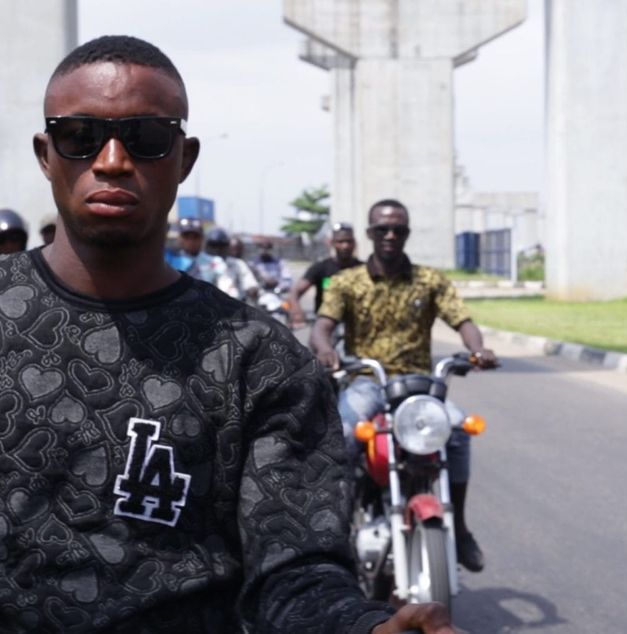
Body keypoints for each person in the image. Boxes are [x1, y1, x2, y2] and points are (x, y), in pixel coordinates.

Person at [24, 34, 454, 633]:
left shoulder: (260, 361)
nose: (113, 160)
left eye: (147, 139)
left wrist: (364, 627)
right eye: (80, 137)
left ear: (184, 157)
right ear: (47, 154)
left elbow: (294, 569)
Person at [311, 198, 499, 573]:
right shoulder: (348, 282)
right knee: (345, 433)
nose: (391, 235)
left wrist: (478, 350)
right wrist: (325, 350)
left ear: (407, 234)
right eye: (382, 229)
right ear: (370, 234)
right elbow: (323, 326)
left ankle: (459, 528)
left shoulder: (429, 280)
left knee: (459, 430)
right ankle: (335, 537)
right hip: (367, 381)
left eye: (398, 229)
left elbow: (462, 321)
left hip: (418, 387)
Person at [288, 222, 362, 328]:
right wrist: (296, 310)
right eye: (340, 242)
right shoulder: (320, 268)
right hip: (326, 324)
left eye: (349, 241)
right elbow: (295, 292)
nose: (345, 246)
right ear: (331, 243)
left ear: (354, 243)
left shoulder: (363, 269)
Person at [172, 216, 239, 299]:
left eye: (195, 237)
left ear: (202, 238)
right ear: (180, 238)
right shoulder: (170, 262)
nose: (191, 241)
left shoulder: (215, 262)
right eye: (187, 237)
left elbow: (227, 290)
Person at [205, 225, 259, 302]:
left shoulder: (237, 264)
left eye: (221, 246)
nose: (218, 249)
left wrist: (252, 289)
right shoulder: (201, 264)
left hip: (235, 305)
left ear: (227, 246)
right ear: (207, 246)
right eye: (214, 245)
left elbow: (249, 282)